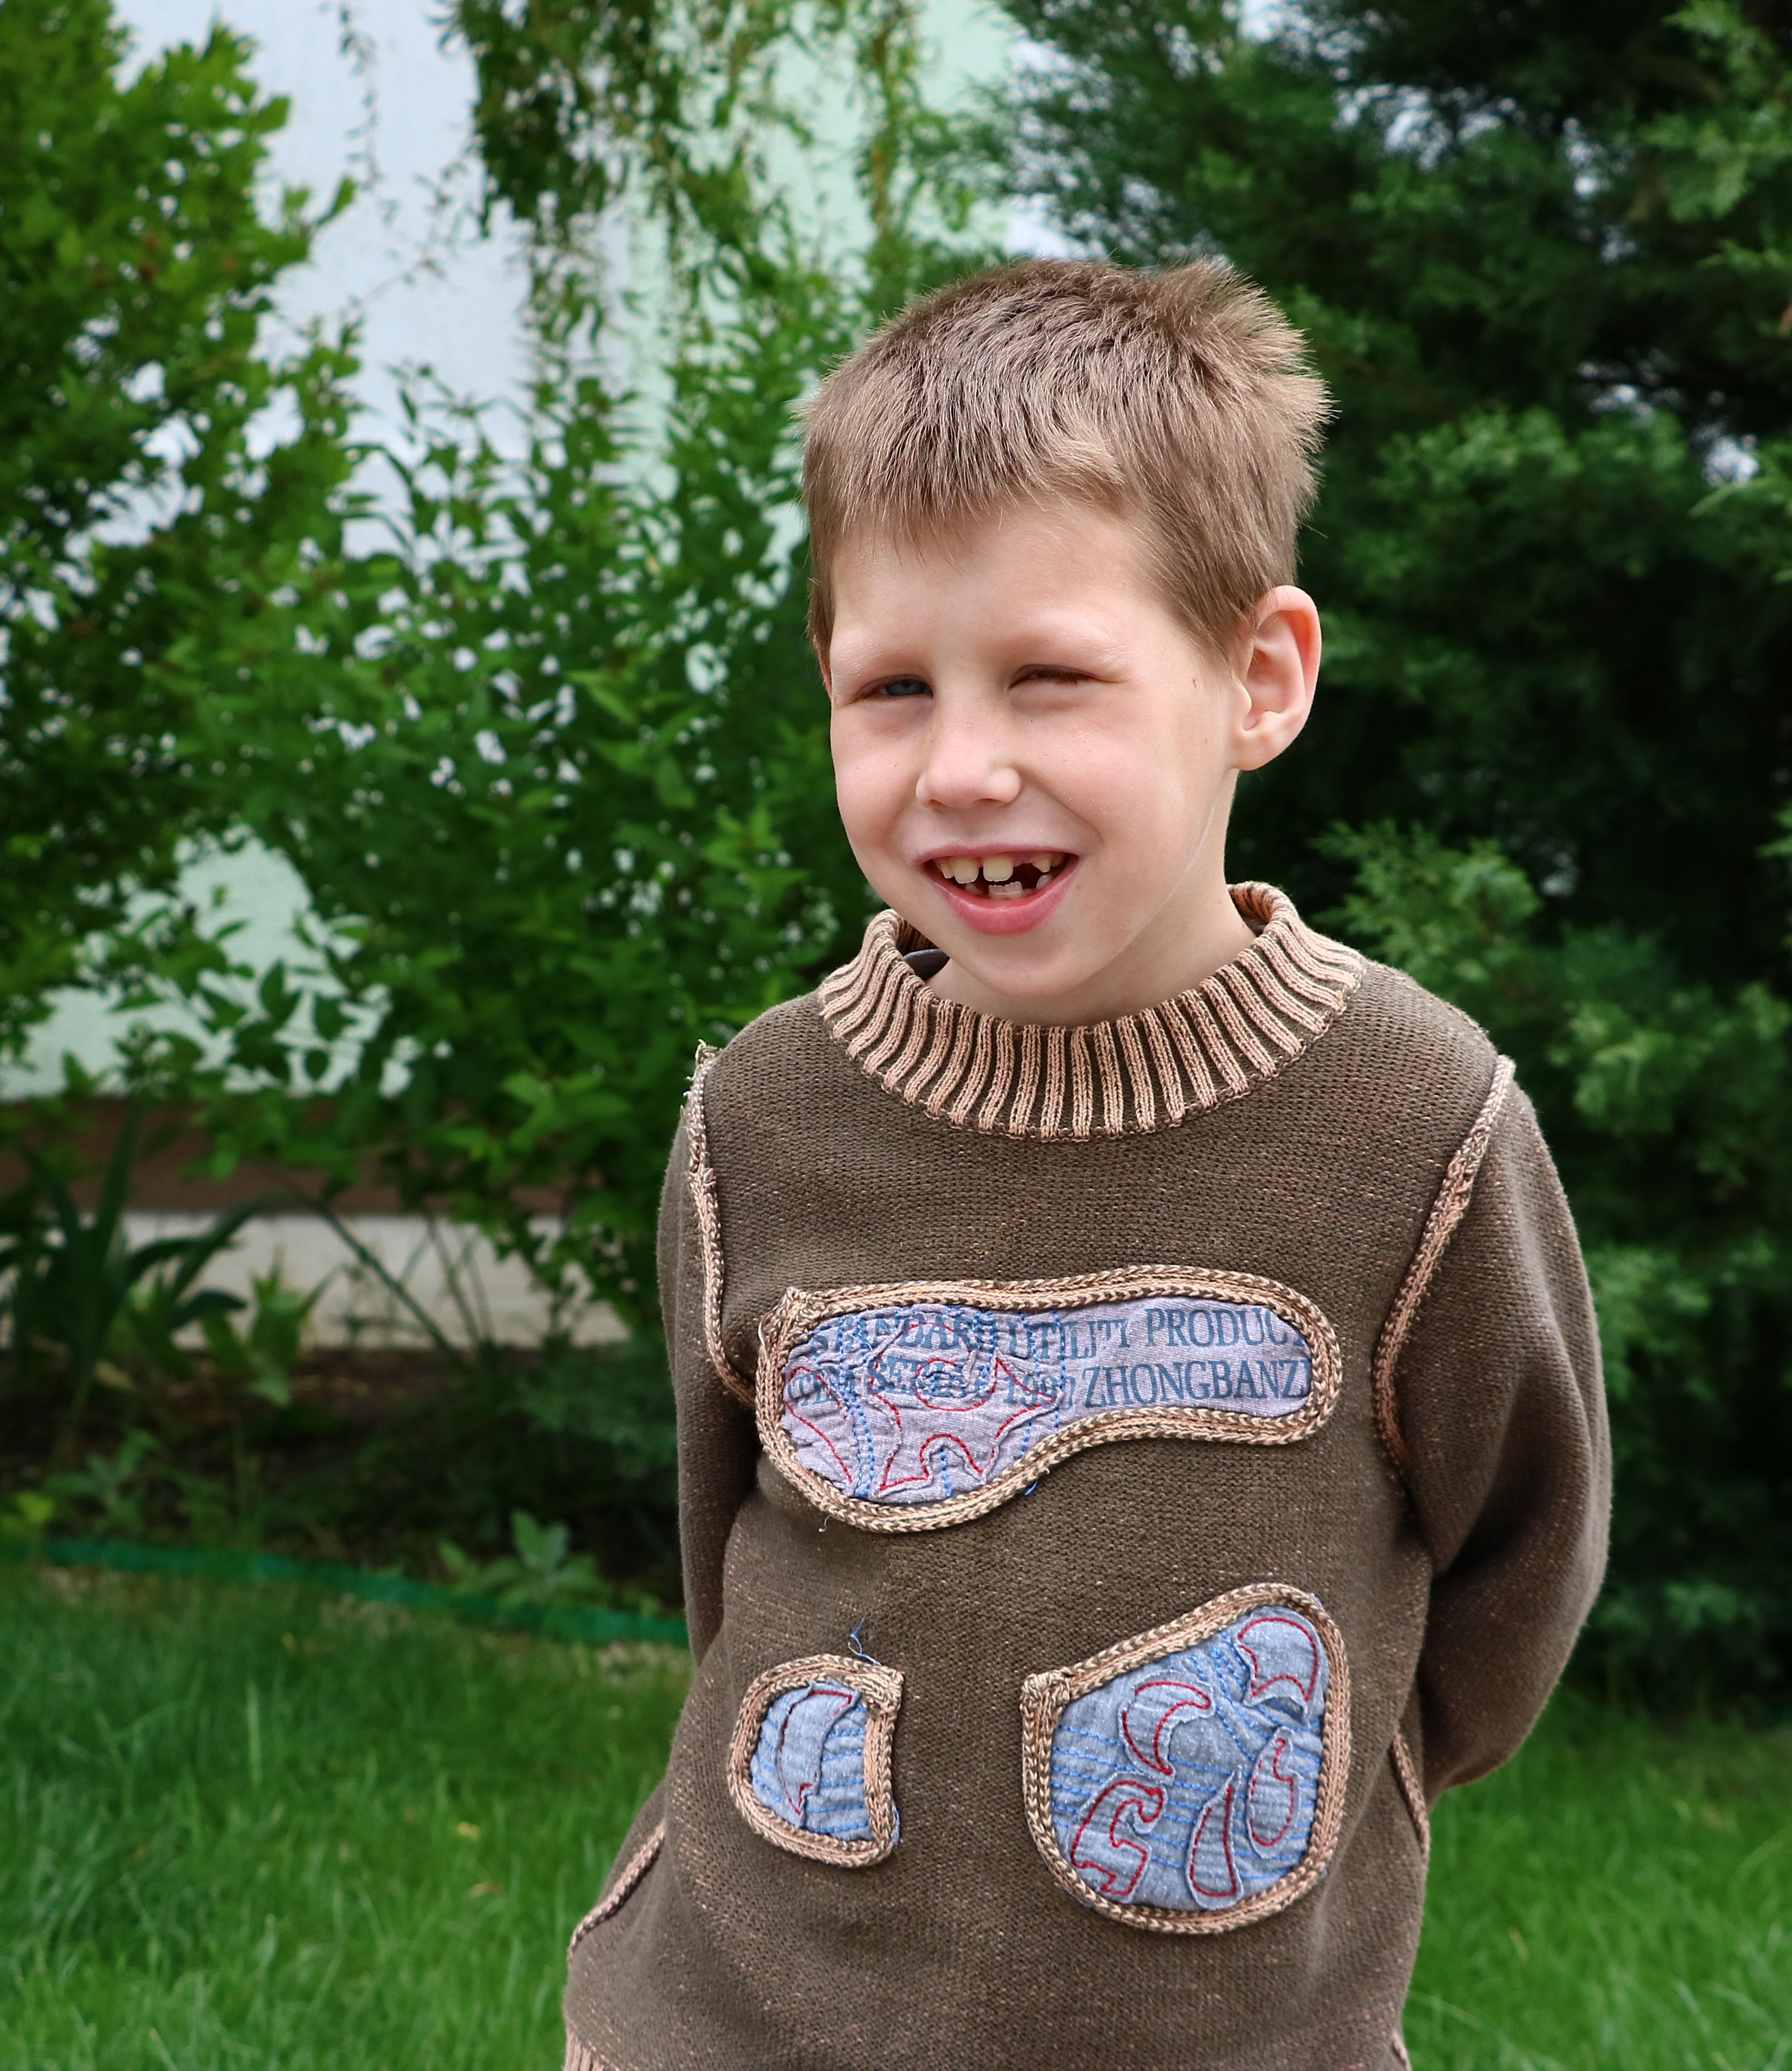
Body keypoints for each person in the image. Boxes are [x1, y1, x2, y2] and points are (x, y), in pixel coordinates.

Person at [561, 258, 1610, 2071]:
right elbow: (727, 1563)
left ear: (1258, 679)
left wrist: (1287, 1790)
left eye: (1051, 680)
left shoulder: (1416, 1129)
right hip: (728, 2021)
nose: (963, 768)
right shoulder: (760, 1119)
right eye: (893, 688)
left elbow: (1520, 1560)